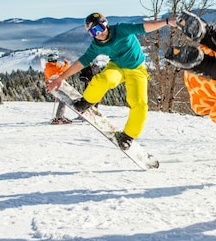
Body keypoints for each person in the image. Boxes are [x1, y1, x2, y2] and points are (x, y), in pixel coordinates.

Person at [45, 12, 169, 149]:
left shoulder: (121, 29)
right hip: (116, 66)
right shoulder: (96, 45)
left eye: (100, 28)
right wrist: (61, 78)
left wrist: (168, 21)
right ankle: (87, 101)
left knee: (140, 103)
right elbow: (82, 62)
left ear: (106, 25)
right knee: (103, 79)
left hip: (136, 69)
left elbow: (145, 27)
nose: (99, 34)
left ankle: (128, 136)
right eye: (93, 32)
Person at [44, 52, 72, 124]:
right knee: (63, 100)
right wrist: (67, 63)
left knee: (62, 100)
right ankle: (59, 117)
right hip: (57, 86)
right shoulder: (55, 66)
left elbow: (47, 78)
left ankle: (60, 116)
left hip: (51, 86)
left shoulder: (47, 67)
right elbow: (64, 69)